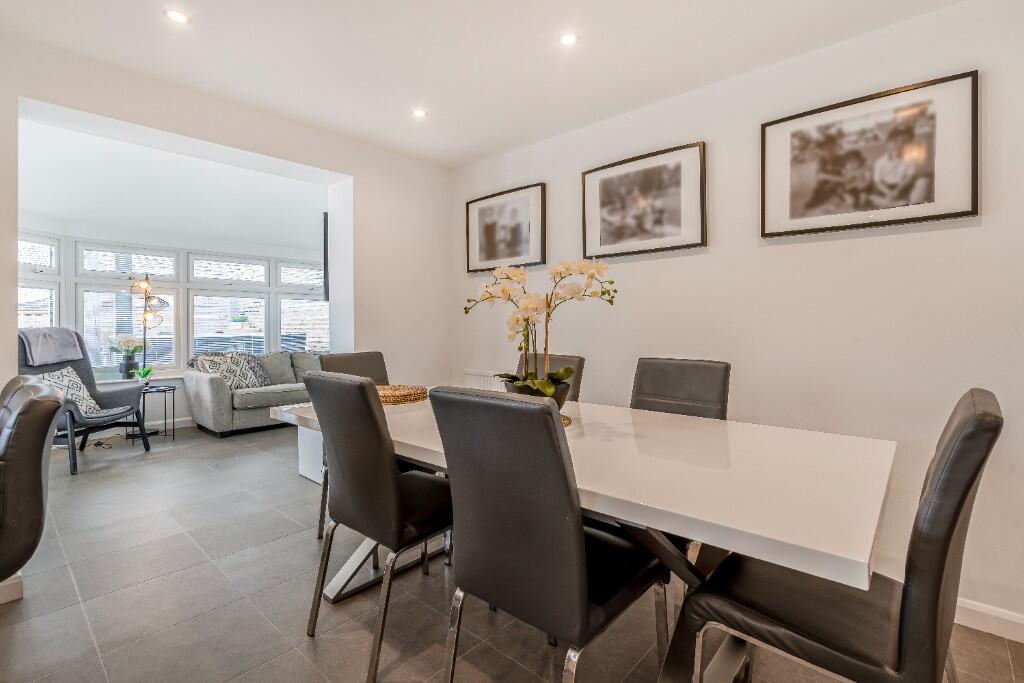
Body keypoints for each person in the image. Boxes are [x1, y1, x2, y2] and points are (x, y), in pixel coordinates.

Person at [872, 125, 920, 206]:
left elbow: (909, 177)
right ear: (887, 143)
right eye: (895, 141)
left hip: (902, 186)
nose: (899, 144)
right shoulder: (880, 162)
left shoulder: (909, 159)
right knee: (873, 194)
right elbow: (878, 182)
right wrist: (888, 192)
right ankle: (891, 202)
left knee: (920, 183)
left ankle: (893, 202)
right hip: (886, 188)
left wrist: (897, 190)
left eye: (904, 142)